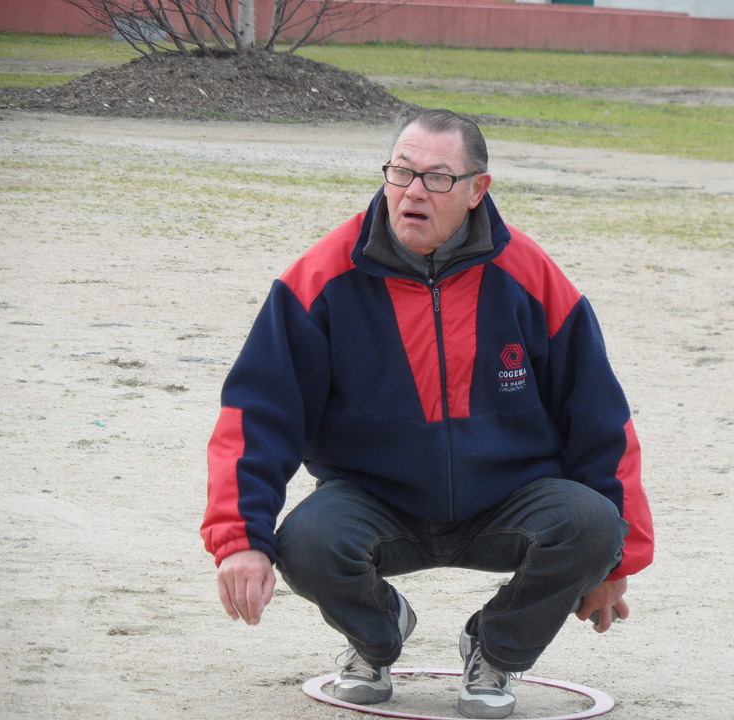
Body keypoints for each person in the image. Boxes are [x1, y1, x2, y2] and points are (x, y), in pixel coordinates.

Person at [202, 108, 654, 719]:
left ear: (477, 190)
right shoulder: (321, 276)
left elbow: (601, 421)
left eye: (437, 178)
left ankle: (493, 651)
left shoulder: (531, 276)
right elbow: (256, 413)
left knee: (598, 525)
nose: (413, 192)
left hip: (512, 500)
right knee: (306, 543)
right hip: (374, 501)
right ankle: (378, 636)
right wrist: (239, 540)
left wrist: (614, 564)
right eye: (400, 173)